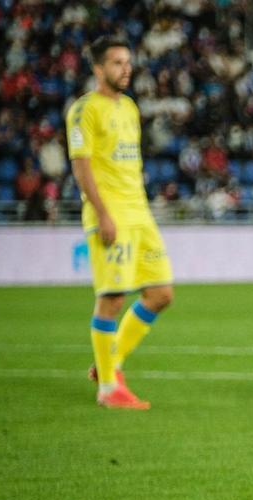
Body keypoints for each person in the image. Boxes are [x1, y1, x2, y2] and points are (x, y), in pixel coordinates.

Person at [67, 36, 174, 410]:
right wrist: (102, 213)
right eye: (116, 62)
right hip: (110, 214)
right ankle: (109, 388)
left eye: (128, 62)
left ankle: (108, 363)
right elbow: (81, 166)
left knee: (161, 294)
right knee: (111, 299)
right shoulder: (83, 111)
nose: (125, 68)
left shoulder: (129, 107)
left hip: (139, 213)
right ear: (98, 69)